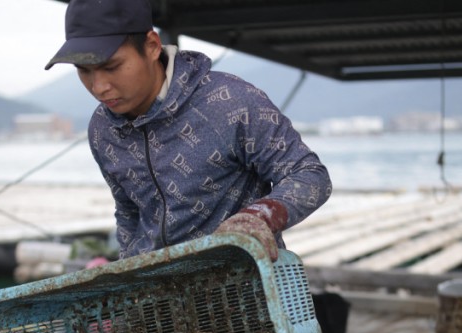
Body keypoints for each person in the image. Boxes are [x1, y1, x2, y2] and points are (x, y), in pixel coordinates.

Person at [45, 0, 331, 262]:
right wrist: (127, 272)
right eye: (84, 71)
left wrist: (259, 217)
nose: (99, 87)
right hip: (157, 299)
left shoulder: (232, 101)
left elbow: (309, 175)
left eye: (111, 67)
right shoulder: (101, 128)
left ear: (152, 46)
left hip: (246, 289)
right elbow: (128, 211)